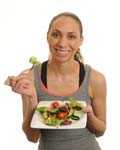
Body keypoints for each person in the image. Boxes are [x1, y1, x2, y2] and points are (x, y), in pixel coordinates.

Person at [9, 12, 106, 150]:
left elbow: (100, 131)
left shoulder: (95, 79)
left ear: (81, 41)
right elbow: (32, 137)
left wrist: (89, 115)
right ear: (47, 36)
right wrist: (32, 100)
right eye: (56, 35)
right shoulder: (31, 78)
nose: (62, 43)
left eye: (71, 36)